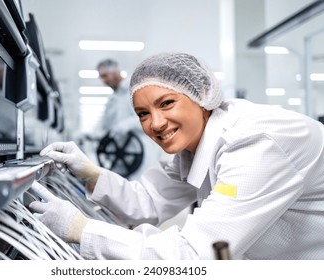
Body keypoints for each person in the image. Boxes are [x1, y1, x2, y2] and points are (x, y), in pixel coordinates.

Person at [29, 52, 324, 260]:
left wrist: (82, 229)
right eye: (143, 114)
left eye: (167, 103)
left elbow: (192, 255)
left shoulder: (256, 143)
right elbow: (145, 201)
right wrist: (90, 172)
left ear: (203, 93)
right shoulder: (194, 146)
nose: (155, 124)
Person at [86, 58, 163, 179]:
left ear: (116, 71)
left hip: (140, 153)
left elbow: (150, 117)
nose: (103, 80)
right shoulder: (112, 100)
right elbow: (109, 130)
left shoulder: (135, 90)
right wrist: (92, 136)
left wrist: (127, 125)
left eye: (105, 75)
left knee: (141, 189)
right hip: (119, 157)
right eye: (101, 77)